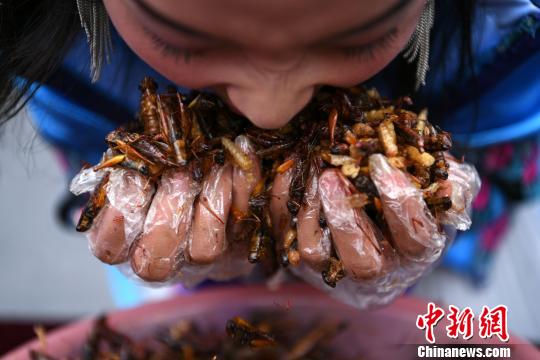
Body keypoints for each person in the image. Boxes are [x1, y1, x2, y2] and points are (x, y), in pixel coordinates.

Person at [0, 0, 538, 308]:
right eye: (184, 43)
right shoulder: (46, 37)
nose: (269, 113)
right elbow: (87, 159)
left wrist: (437, 225)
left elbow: (504, 150)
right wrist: (130, 216)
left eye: (356, 41)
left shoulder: (505, 26)